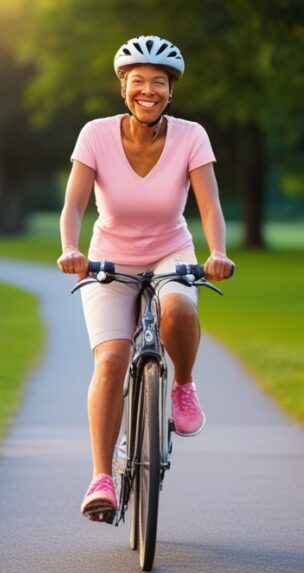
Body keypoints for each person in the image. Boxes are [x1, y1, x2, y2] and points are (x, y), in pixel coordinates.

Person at [56, 35, 235, 523]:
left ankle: (184, 385)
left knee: (178, 308)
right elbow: (73, 204)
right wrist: (70, 249)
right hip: (109, 258)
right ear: (124, 88)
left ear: (171, 91)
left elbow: (210, 206)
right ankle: (101, 478)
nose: (148, 90)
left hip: (170, 252)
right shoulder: (95, 134)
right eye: (138, 81)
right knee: (112, 359)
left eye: (159, 82)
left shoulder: (192, 136)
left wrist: (218, 253)